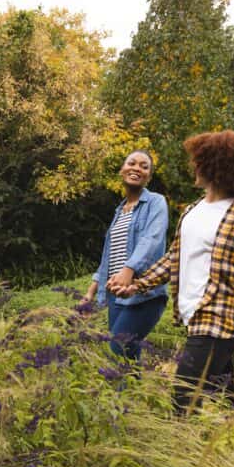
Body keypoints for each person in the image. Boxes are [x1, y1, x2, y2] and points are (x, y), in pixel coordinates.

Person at [112, 131, 234, 435]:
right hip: (194, 317)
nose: (194, 167)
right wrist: (139, 284)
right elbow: (174, 259)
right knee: (227, 395)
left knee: (183, 396)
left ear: (215, 166)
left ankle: (178, 465)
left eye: (199, 161)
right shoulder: (192, 211)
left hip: (221, 323)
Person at [80, 150, 168, 362]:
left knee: (116, 350)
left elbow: (152, 239)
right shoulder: (120, 211)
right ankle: (136, 396)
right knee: (127, 362)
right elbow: (108, 259)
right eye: (132, 163)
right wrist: (89, 294)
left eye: (144, 166)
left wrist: (129, 270)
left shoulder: (156, 202)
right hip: (117, 297)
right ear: (122, 170)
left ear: (148, 176)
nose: (137, 168)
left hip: (144, 295)